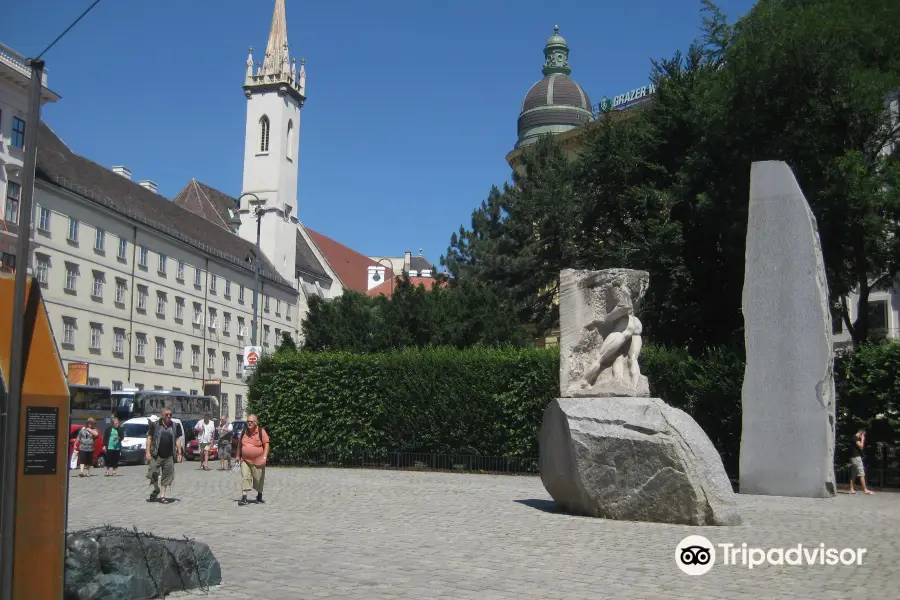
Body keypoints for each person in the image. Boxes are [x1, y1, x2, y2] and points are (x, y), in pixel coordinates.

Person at [145, 409, 183, 504]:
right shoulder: (155, 425)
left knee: (167, 475)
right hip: (156, 454)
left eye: (170, 414)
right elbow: (149, 438)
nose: (169, 416)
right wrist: (147, 452)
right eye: (167, 414)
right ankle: (156, 489)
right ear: (162, 415)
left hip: (169, 455)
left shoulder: (174, 425)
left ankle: (163, 496)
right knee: (153, 473)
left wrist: (179, 453)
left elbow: (178, 440)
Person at [236, 414, 269, 506]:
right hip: (245, 460)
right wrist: (238, 455)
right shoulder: (244, 432)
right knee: (245, 477)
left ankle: (259, 495)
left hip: (258, 460)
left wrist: (264, 457)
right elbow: (240, 445)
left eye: (251, 421)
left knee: (258, 479)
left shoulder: (261, 432)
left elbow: (266, 445)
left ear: (256, 422)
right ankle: (244, 497)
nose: (249, 423)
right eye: (248, 421)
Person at [849, 429, 875, 495]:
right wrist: (862, 439)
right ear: (861, 433)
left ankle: (851, 489)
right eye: (863, 435)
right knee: (862, 473)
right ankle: (865, 490)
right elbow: (861, 446)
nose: (863, 436)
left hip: (854, 458)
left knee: (853, 474)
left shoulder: (853, 437)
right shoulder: (855, 438)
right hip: (856, 458)